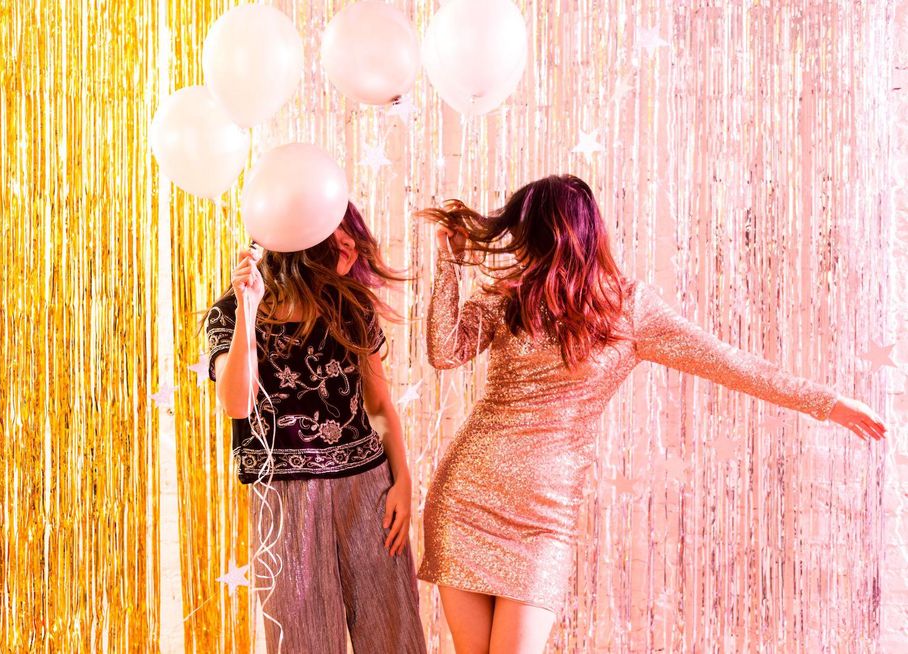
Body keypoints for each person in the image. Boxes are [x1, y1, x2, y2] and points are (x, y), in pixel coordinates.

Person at [417, 174, 886, 654]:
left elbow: (730, 363)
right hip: (467, 498)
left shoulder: (628, 307)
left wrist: (826, 403)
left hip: (543, 519)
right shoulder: (509, 296)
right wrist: (450, 263)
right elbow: (445, 350)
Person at [205, 202, 427, 654]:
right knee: (302, 642)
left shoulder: (351, 307)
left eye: (352, 240)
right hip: (284, 499)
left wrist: (403, 480)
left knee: (393, 634)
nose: (348, 249)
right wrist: (248, 312)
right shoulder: (231, 312)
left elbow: (379, 403)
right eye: (337, 238)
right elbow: (235, 403)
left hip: (368, 489)